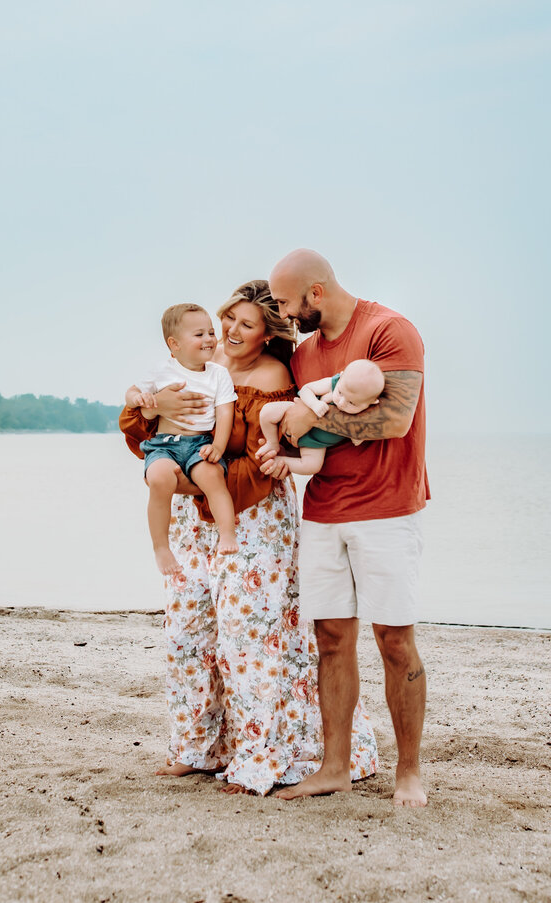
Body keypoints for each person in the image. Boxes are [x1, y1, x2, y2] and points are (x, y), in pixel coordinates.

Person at [120, 279, 378, 795]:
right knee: (188, 633)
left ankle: (258, 759)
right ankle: (196, 748)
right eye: (227, 320)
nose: (231, 331)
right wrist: (149, 412)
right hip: (193, 520)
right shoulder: (195, 372)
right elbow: (151, 439)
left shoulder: (273, 378)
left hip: (253, 519)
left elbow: (265, 465)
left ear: (267, 335)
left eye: (247, 324)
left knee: (248, 640)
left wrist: (192, 480)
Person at [265, 249, 429, 807]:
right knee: (331, 640)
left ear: (316, 292)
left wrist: (315, 417)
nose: (284, 315)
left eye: (287, 302)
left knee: (395, 641)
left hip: (388, 509)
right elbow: (290, 427)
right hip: (324, 509)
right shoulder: (304, 354)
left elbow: (395, 417)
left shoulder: (389, 330)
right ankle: (334, 768)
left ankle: (408, 772)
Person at [125, 303, 238, 575]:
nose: (209, 339)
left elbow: (225, 413)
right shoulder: (162, 371)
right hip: (164, 444)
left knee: (213, 477)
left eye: (211, 332)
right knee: (159, 479)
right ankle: (161, 548)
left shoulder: (218, 374)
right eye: (199, 334)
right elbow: (131, 392)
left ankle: (227, 534)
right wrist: (138, 399)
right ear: (174, 344)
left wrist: (218, 446)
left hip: (199, 442)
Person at [257, 359, 384, 475]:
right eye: (340, 393)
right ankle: (272, 443)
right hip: (295, 412)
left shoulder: (366, 413)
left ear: (371, 403)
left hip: (315, 443)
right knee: (267, 411)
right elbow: (307, 389)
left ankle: (278, 461)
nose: (342, 402)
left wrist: (357, 436)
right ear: (341, 376)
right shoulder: (333, 383)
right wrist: (314, 404)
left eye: (352, 403)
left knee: (311, 466)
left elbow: (359, 434)